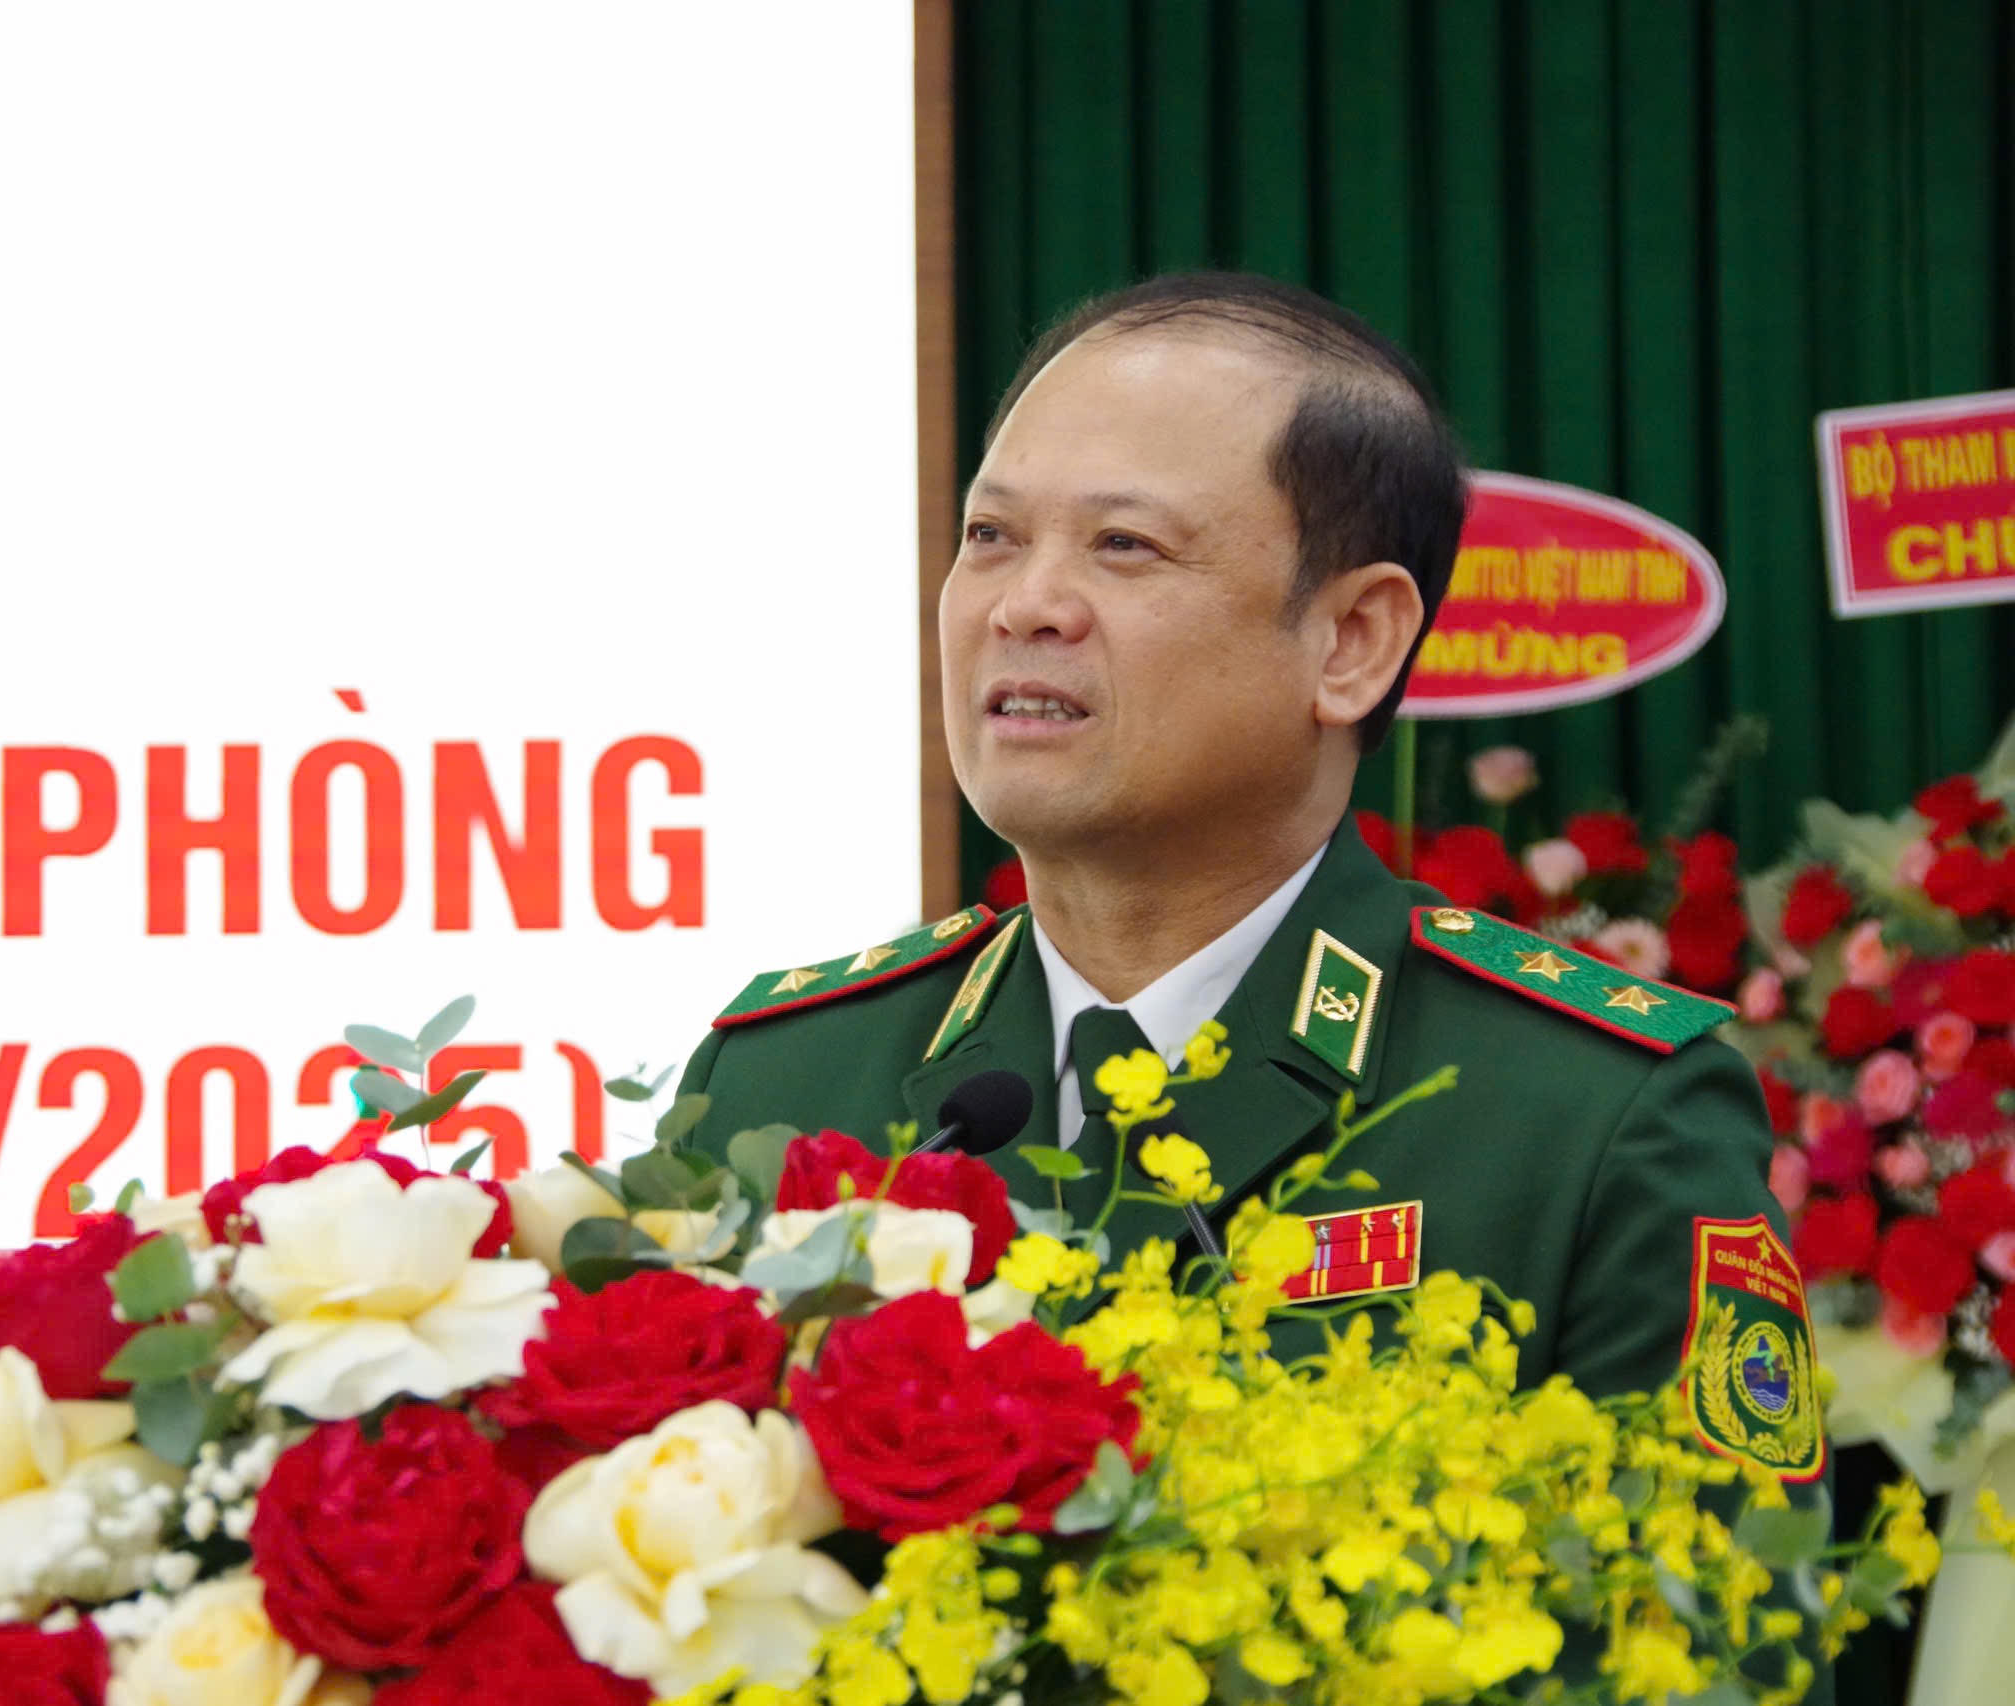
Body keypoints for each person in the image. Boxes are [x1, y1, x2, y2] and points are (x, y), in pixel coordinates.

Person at [681, 272, 1820, 1475]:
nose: (1024, 605)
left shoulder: (1591, 1113)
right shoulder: (779, 1081)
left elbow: (1708, 1589)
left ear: (1351, 642)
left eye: (1124, 545)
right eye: (990, 536)